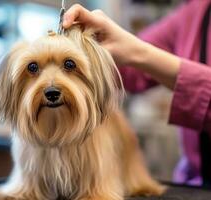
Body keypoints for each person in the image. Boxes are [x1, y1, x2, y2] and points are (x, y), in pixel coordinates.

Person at [62, 0, 211, 186]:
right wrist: (87, 53)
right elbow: (124, 68)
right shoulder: (195, 12)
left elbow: (134, 52)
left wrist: (138, 53)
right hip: (194, 183)